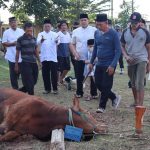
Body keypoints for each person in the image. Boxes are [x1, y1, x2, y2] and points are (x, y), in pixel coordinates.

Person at [89, 14, 121, 113]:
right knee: (98, 83)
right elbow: (95, 48)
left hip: (109, 63)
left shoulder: (113, 33)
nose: (98, 26)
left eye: (100, 24)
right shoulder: (96, 33)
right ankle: (114, 97)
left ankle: (101, 107)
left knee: (106, 85)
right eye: (97, 24)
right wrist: (91, 62)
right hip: (99, 62)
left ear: (106, 23)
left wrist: (113, 65)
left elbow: (118, 50)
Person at [121, 12, 150, 107]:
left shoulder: (145, 32)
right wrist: (126, 56)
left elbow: (148, 48)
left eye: (136, 22)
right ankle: (136, 101)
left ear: (140, 22)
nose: (134, 24)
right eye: (132, 22)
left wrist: (148, 62)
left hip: (142, 59)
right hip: (130, 60)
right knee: (132, 83)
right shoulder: (125, 32)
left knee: (139, 83)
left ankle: (140, 106)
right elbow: (122, 46)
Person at [71, 13, 97, 98]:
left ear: (88, 20)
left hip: (91, 58)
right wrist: (75, 53)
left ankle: (93, 93)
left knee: (91, 75)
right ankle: (79, 92)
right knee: (79, 75)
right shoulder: (75, 31)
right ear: (79, 21)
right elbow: (72, 44)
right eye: (81, 20)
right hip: (79, 58)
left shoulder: (94, 30)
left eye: (85, 20)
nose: (83, 21)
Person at [15, 22, 41, 95]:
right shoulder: (20, 39)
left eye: (31, 30)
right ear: (24, 30)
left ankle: (19, 93)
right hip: (25, 63)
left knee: (34, 81)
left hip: (33, 62)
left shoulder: (34, 38)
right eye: (28, 31)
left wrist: (39, 61)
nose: (30, 32)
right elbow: (17, 53)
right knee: (29, 81)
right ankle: (31, 97)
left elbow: (36, 50)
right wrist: (16, 64)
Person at [37, 19, 59, 94]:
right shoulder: (40, 34)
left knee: (54, 74)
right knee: (45, 74)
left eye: (48, 26)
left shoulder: (55, 34)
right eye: (45, 26)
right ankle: (47, 89)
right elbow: (37, 42)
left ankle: (55, 89)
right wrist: (41, 40)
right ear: (43, 27)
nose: (47, 27)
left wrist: (56, 41)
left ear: (51, 26)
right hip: (44, 57)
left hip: (53, 57)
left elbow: (58, 41)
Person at [2, 17, 24, 90]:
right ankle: (15, 89)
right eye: (12, 22)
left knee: (22, 73)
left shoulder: (21, 31)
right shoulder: (6, 32)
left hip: (21, 56)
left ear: (17, 23)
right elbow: (4, 43)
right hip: (11, 56)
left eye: (15, 22)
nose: (13, 24)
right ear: (9, 24)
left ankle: (24, 89)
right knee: (13, 74)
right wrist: (13, 44)